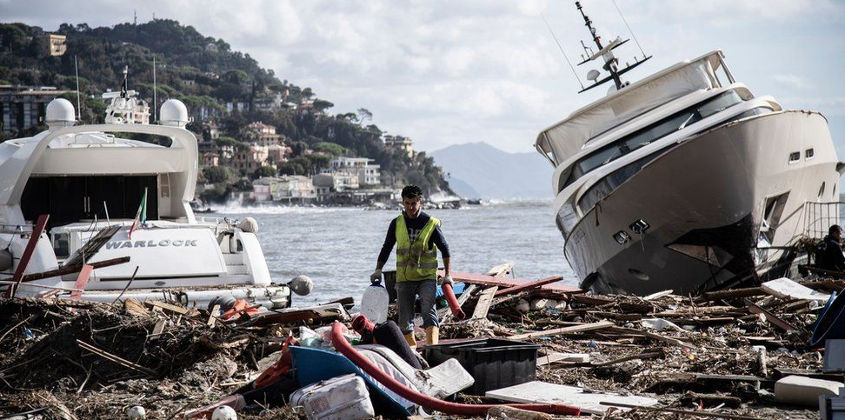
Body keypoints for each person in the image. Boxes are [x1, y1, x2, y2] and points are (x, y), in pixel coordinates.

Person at [371, 185, 451, 348]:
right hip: (404, 279)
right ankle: (412, 352)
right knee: (404, 319)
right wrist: (378, 269)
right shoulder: (397, 223)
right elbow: (387, 247)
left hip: (426, 278)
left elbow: (445, 249)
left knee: (428, 311)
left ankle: (432, 348)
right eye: (407, 203)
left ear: (420, 202)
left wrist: (448, 274)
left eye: (414, 203)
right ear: (403, 202)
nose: (410, 207)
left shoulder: (430, 223)